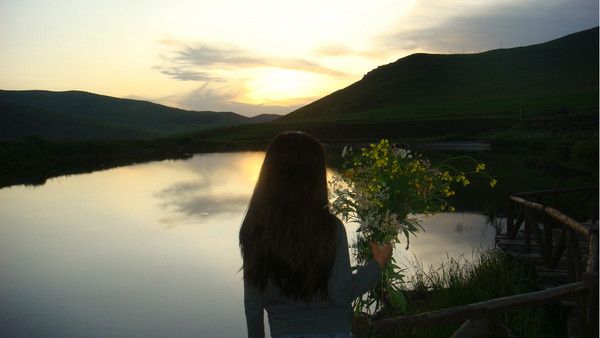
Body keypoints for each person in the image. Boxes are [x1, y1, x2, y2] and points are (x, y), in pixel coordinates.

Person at [239, 131, 393, 338]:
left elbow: (253, 302)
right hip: (334, 331)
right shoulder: (331, 228)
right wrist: (377, 264)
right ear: (315, 175)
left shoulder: (255, 229)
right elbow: (341, 294)